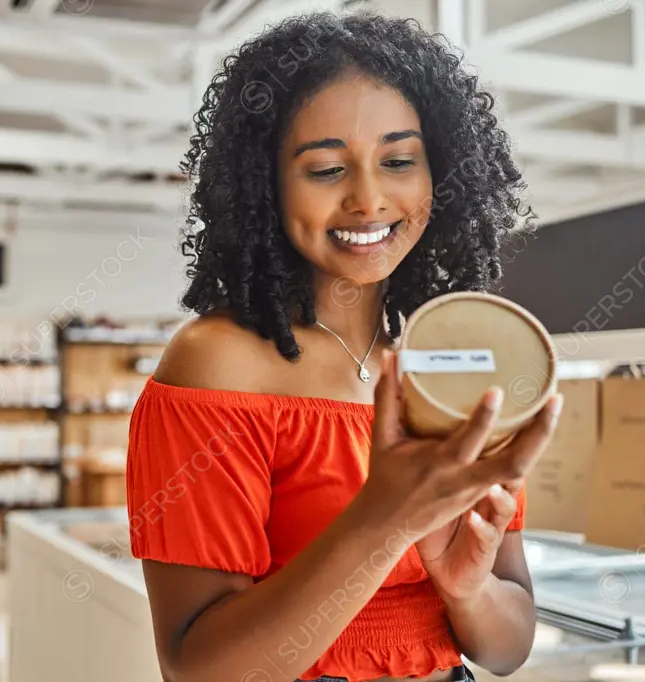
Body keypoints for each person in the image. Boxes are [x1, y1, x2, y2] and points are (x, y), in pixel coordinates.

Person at [124, 11, 564, 682]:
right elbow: (199, 669)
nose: (369, 198)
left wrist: (465, 586)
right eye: (326, 169)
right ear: (264, 187)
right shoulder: (218, 363)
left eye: (397, 161)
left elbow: (507, 649)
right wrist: (386, 522)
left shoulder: (454, 365)